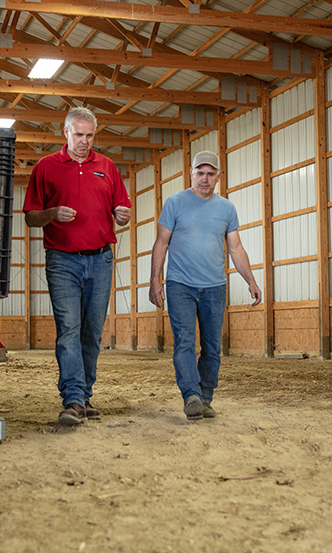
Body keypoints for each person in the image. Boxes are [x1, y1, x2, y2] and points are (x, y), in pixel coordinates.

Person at [23, 107, 132, 425]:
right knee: (68, 330)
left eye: (90, 135)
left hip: (101, 259)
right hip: (62, 260)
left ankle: (83, 396)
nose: (85, 141)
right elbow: (31, 216)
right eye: (79, 135)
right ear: (66, 133)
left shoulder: (107, 167)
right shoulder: (46, 167)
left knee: (91, 333)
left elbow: (120, 208)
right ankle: (72, 399)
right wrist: (52, 213)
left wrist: (123, 215)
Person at [149, 150, 262, 421]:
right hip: (180, 285)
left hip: (214, 287)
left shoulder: (227, 208)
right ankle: (191, 395)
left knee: (212, 346)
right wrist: (155, 280)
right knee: (184, 342)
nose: (205, 179)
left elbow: (235, 248)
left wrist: (251, 281)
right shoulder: (175, 203)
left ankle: (206, 396)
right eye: (200, 173)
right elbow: (161, 243)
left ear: (218, 177)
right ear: (191, 173)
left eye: (211, 174)